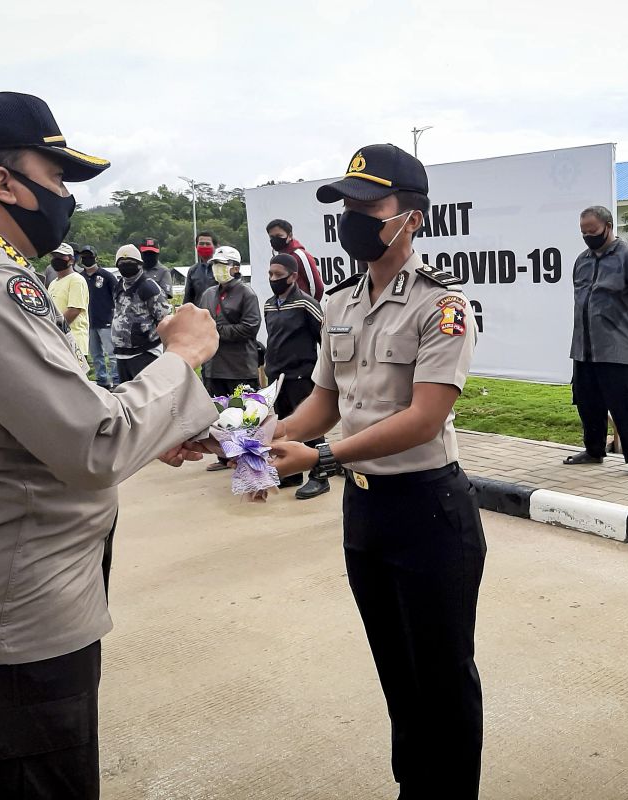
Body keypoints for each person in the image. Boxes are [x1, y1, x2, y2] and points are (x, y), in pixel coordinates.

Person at [0, 90, 221, 799]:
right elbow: (94, 444)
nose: (65, 196)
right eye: (57, 176)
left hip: (6, 616)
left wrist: (149, 434)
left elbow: (46, 424)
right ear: (3, 181)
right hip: (13, 637)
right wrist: (182, 357)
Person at [269, 144, 485, 798]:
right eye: (348, 207)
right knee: (396, 671)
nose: (353, 219)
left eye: (370, 207)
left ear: (411, 218)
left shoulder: (441, 306)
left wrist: (326, 456)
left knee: (442, 676)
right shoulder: (339, 302)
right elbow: (325, 403)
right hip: (365, 513)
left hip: (429, 511)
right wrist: (265, 436)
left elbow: (424, 418)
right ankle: (413, 787)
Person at [563, 205, 628, 478]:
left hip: (619, 347)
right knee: (587, 401)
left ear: (608, 226)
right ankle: (593, 451)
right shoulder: (581, 261)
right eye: (583, 232)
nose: (587, 236)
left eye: (592, 231)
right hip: (584, 347)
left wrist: (616, 319)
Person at [263, 252, 328, 497]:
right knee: (283, 428)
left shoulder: (306, 303)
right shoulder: (269, 304)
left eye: (278, 275)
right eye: (270, 274)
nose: (273, 278)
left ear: (293, 276)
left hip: (302, 376)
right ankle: (290, 473)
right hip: (277, 378)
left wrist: (324, 374)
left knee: (311, 427)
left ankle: (321, 475)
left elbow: (325, 339)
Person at [197, 245, 260, 397]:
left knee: (243, 416)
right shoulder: (208, 294)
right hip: (212, 370)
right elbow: (199, 324)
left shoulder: (247, 293)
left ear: (236, 268)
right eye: (215, 264)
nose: (218, 268)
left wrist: (215, 331)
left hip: (240, 370)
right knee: (214, 417)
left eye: (223, 265)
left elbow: (250, 328)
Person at [111, 244, 172, 382]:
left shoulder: (148, 287)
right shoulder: (118, 286)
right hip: (122, 353)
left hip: (145, 352)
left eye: (131, 263)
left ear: (140, 264)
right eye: (122, 263)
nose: (126, 266)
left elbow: (164, 319)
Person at [80, 245, 119, 388]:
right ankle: (102, 380)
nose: (86, 259)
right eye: (83, 256)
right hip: (89, 322)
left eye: (89, 256)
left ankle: (116, 380)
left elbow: (117, 295)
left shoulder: (106, 276)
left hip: (106, 321)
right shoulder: (80, 277)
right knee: (96, 355)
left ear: (96, 257)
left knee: (112, 354)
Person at [48, 241, 90, 363]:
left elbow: (74, 310)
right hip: (58, 342)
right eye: (54, 256)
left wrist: (54, 329)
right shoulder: (53, 283)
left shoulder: (76, 279)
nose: (57, 259)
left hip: (73, 341)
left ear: (71, 260)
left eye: (61, 257)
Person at [267, 218, 324, 301]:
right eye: (272, 237)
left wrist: (309, 307)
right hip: (285, 309)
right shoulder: (276, 257)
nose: (275, 240)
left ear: (289, 236)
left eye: (279, 236)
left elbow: (317, 287)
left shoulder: (301, 255)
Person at [184, 230, 217, 309]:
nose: (204, 246)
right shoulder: (193, 271)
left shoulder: (222, 268)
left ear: (215, 246)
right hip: (199, 316)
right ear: (196, 246)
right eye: (201, 244)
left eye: (208, 244)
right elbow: (188, 299)